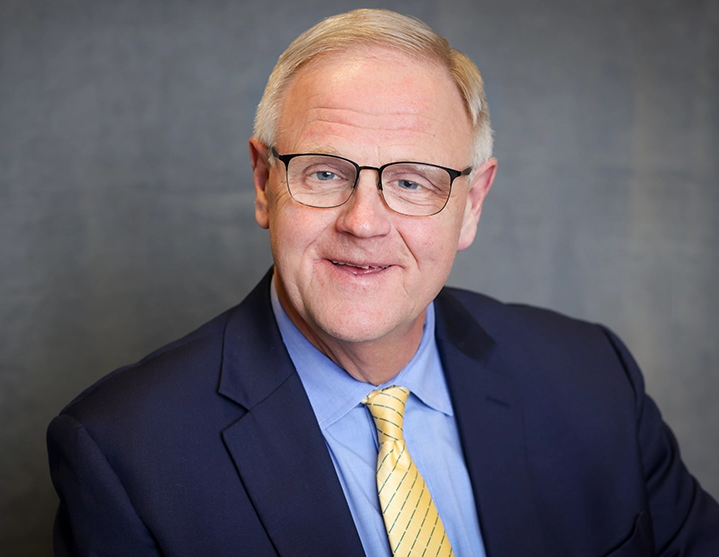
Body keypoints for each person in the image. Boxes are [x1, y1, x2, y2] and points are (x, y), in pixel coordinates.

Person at [46, 8, 719, 557]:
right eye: (325, 172)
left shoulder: (592, 377)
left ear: (472, 204)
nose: (363, 222)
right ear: (264, 183)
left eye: (410, 181)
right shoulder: (125, 452)